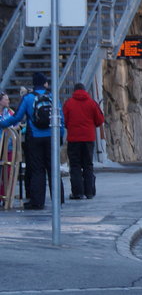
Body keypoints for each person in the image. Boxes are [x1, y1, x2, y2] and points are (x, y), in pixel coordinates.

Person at [0, 72, 54, 210]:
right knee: (52, 168)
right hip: (50, 137)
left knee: (37, 170)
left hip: (35, 137)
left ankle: (37, 201)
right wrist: (59, 136)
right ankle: (58, 198)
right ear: (45, 83)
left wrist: (3, 124)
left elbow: (17, 117)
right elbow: (61, 118)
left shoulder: (28, 98)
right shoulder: (52, 97)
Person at [62, 83, 104, 200]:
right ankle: (89, 192)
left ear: (74, 91)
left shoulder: (69, 103)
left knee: (75, 165)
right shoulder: (91, 103)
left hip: (74, 139)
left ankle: (77, 192)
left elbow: (64, 120)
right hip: (88, 139)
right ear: (84, 90)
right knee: (88, 165)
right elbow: (100, 120)